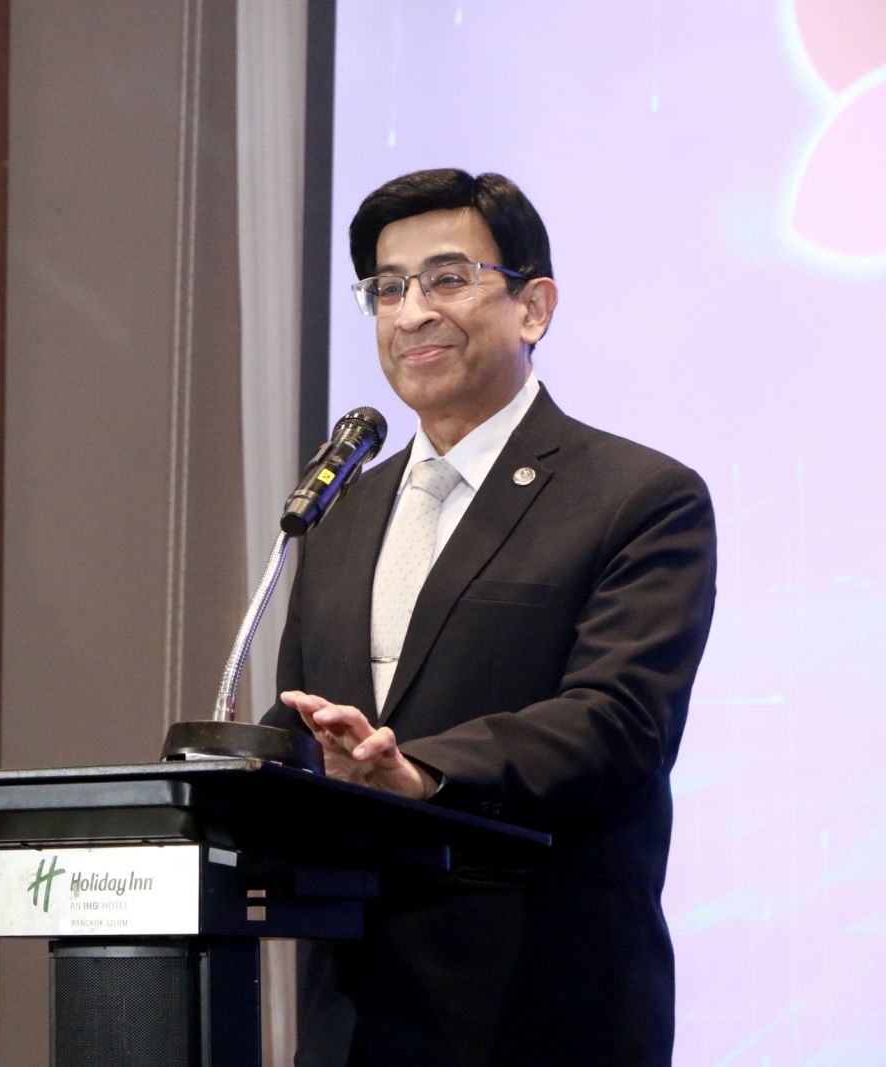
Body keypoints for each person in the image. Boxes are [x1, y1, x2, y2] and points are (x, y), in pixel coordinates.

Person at [261, 168, 716, 1066]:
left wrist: (422, 771)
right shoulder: (342, 511)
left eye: (447, 278)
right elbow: (303, 722)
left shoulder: (638, 497)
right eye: (387, 288)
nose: (411, 314)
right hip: (351, 1014)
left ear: (533, 307)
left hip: (540, 1005)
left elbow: (618, 720)